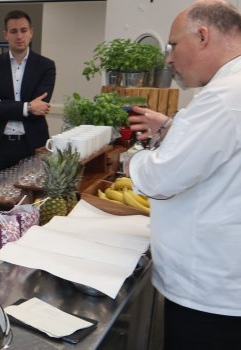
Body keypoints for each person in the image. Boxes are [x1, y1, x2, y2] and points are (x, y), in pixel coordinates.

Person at [125, 1, 241, 348]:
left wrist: (133, 158)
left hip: (209, 293)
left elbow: (160, 178)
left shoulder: (223, 97)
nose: (170, 59)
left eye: (174, 45)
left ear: (202, 36)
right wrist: (174, 128)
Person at [0, 10, 55, 190]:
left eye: (23, 30)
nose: (19, 36)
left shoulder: (46, 66)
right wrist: (27, 107)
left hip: (32, 145)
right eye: (13, 31)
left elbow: (40, 108)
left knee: (31, 196)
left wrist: (2, 105)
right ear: (6, 34)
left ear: (31, 32)